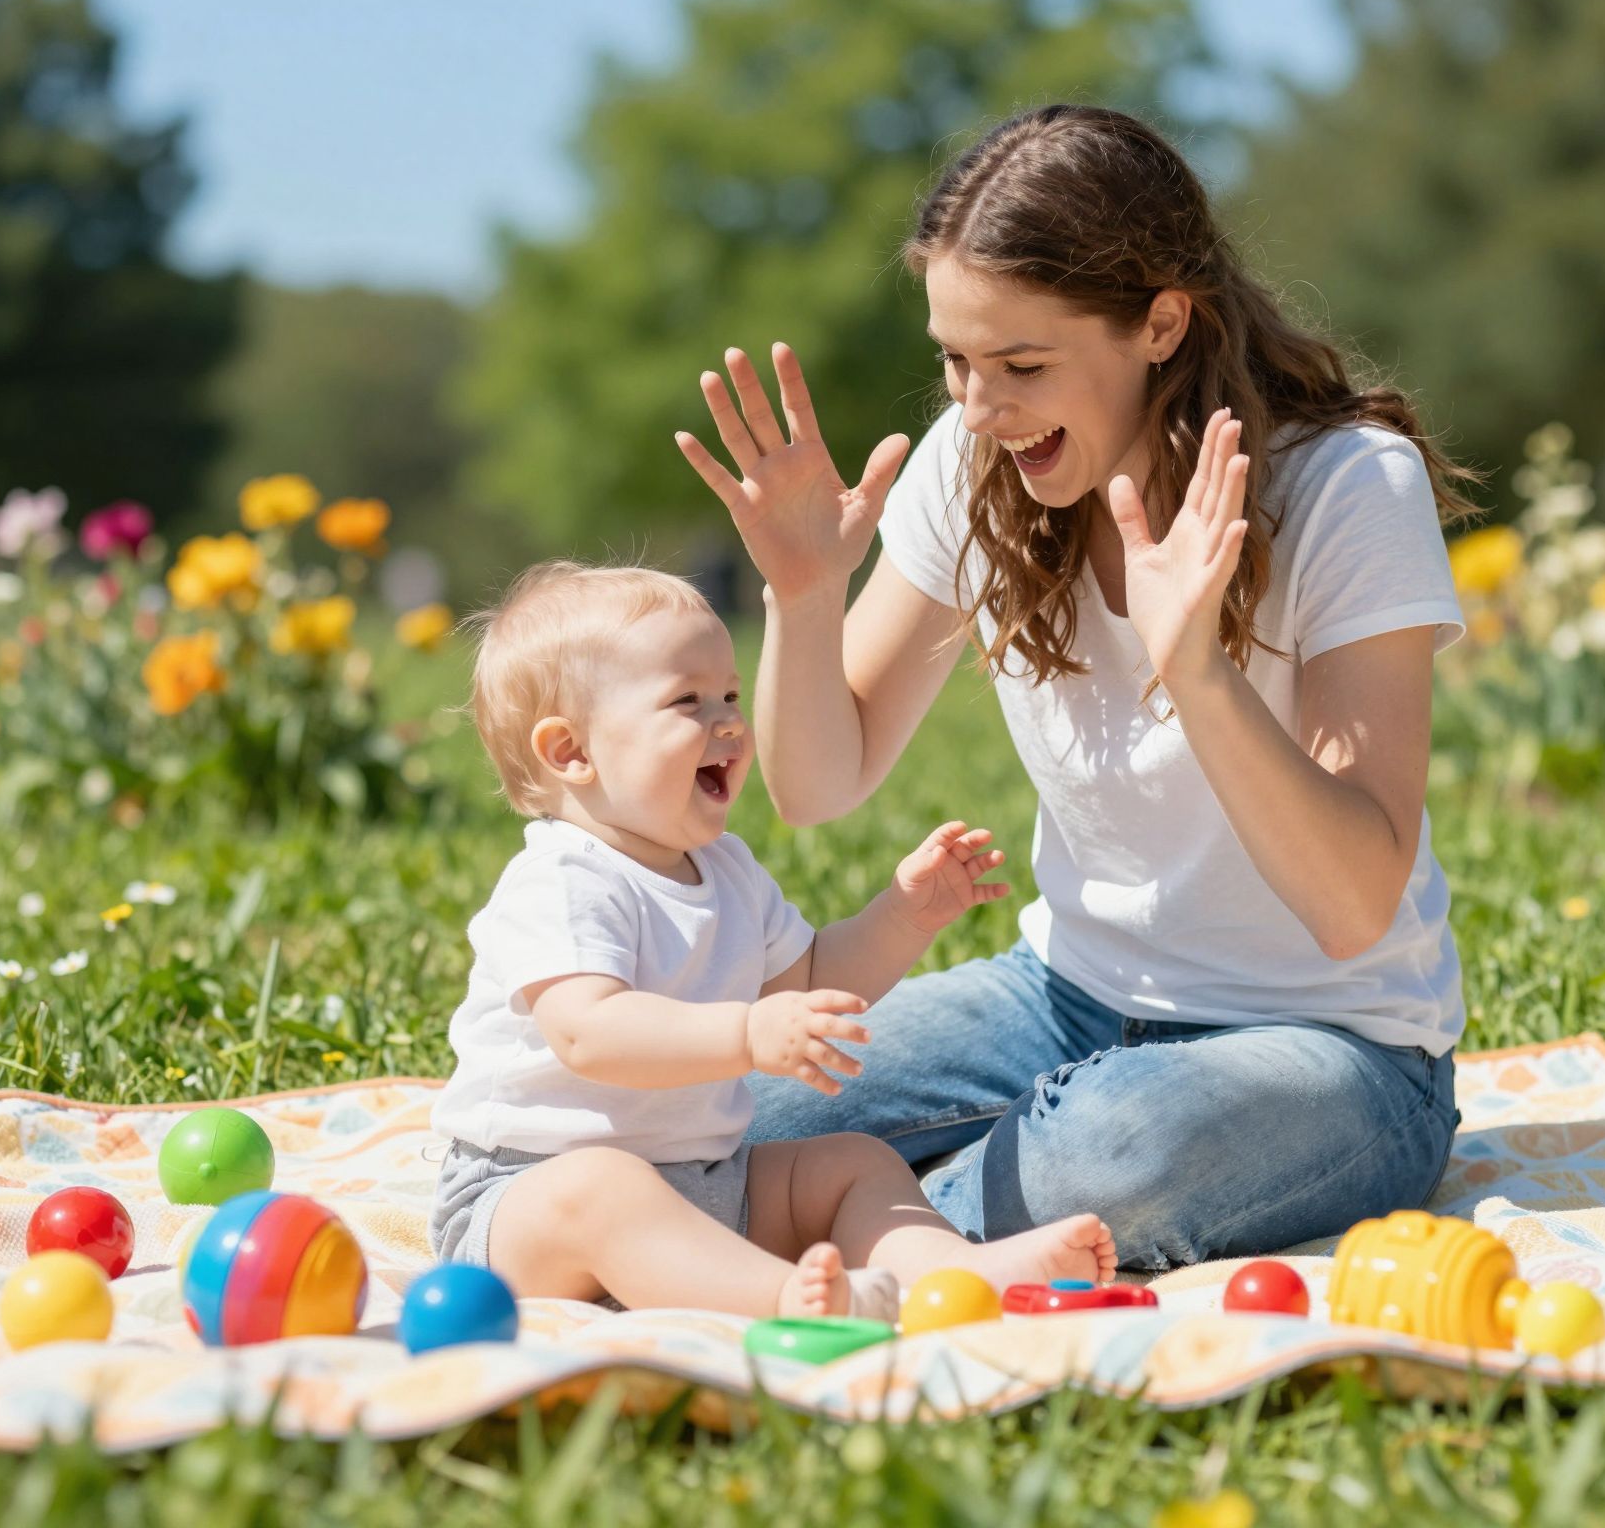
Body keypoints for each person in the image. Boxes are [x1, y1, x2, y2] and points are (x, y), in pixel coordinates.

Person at [676, 104, 1478, 1272]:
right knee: (738, 1100)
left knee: (1110, 1152)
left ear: (1159, 323)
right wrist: (803, 595)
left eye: (1019, 365)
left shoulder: (1349, 485)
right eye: (954, 359)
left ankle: (846, 1231)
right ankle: (884, 1216)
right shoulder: (973, 462)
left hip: (1332, 1048)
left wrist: (1193, 666)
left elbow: (1354, 904)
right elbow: (817, 784)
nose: (976, 408)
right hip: (1061, 1001)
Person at [427, 562, 1117, 1317]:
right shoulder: (563, 879)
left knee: (854, 1163)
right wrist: (747, 1032)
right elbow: (589, 1033)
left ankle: (951, 1272)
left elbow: (814, 977)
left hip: (706, 1178)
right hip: (527, 1204)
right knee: (606, 1186)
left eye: (729, 692)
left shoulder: (725, 870)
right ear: (571, 753)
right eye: (687, 700)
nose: (727, 720)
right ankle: (791, 1300)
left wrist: (904, 915)